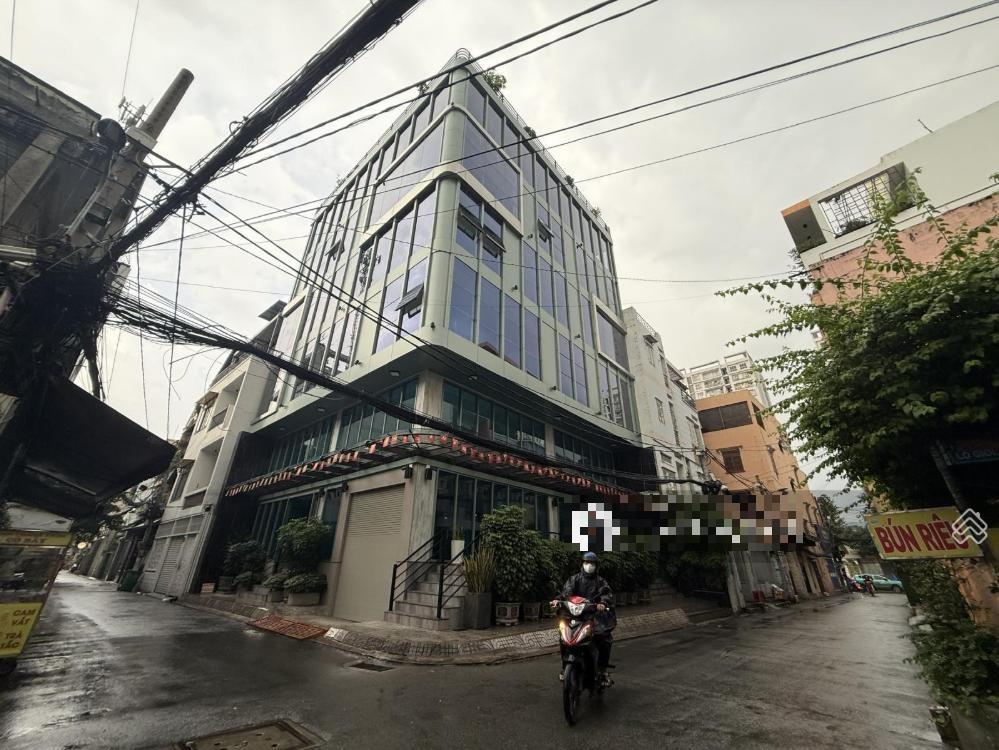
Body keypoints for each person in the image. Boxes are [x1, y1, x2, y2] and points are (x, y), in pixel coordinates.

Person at [553, 551, 615, 686]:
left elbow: (606, 594)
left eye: (592, 563)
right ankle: (565, 667)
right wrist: (558, 600)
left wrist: (602, 603)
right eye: (587, 562)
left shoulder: (600, 581)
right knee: (564, 637)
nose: (589, 565)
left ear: (596, 566)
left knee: (604, 638)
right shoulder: (574, 579)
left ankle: (602, 670)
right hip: (575, 615)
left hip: (594, 616)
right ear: (582, 564)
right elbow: (566, 592)